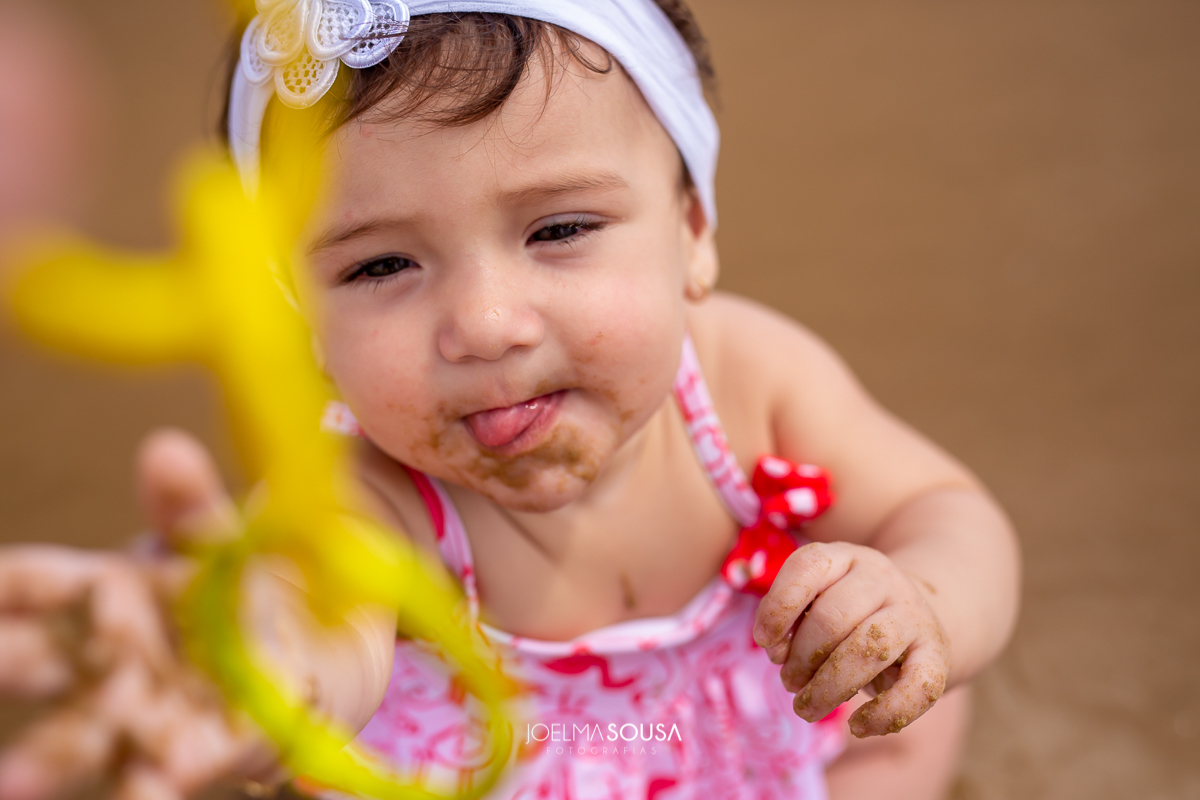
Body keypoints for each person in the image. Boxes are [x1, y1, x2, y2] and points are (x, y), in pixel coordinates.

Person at [0, 1, 1021, 799]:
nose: (487, 324)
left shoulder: (753, 375)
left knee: (919, 696)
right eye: (382, 264)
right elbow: (318, 634)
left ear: (693, 228)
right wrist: (243, 665)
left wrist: (921, 601)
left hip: (756, 732)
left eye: (560, 229)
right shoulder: (364, 494)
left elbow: (946, 512)